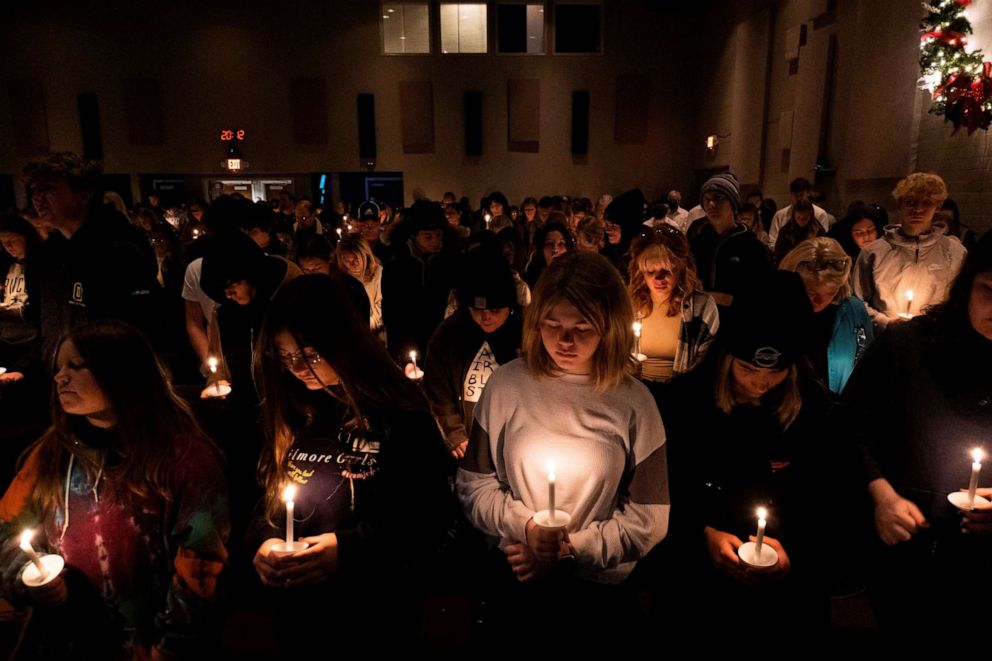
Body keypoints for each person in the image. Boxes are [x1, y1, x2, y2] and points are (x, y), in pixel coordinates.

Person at [457, 251, 669, 654]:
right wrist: (528, 529)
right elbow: (473, 486)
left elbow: (650, 519)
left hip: (598, 595)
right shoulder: (506, 386)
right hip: (516, 577)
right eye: (552, 325)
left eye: (582, 327)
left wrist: (569, 551)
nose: (564, 341)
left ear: (610, 328)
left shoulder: (633, 402)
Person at [0, 320, 229, 658]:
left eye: (76, 367)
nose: (60, 377)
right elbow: (6, 528)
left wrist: (169, 649)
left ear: (122, 374)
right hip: (65, 640)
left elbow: (200, 565)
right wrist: (26, 573)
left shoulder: (184, 459)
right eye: (58, 367)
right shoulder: (52, 453)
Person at [250, 275, 452, 655]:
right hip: (299, 614)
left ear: (342, 342)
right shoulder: (289, 408)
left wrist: (348, 548)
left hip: (375, 613)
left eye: (309, 354)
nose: (297, 367)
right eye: (284, 355)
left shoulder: (399, 412)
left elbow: (429, 519)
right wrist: (265, 541)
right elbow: (264, 498)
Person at [652, 271, 843, 640]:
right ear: (726, 358)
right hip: (699, 591)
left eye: (775, 372)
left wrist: (794, 553)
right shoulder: (687, 403)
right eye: (748, 369)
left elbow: (826, 501)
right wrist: (701, 533)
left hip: (781, 599)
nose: (760, 383)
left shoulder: (815, 411)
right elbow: (665, 490)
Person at [843, 230, 992, 641]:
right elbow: (850, 424)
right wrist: (881, 494)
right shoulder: (909, 345)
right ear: (966, 285)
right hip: (907, 545)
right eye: (989, 291)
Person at [424, 249, 523, 459]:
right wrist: (454, 434)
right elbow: (438, 393)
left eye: (495, 310)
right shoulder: (448, 336)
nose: (486, 317)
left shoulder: (524, 334)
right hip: (466, 447)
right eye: (477, 310)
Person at [852, 172, 967, 332]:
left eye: (926, 203)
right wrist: (885, 322)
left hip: (935, 341)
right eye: (911, 202)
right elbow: (857, 301)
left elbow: (962, 301)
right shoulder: (874, 252)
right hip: (886, 341)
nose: (918, 210)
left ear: (938, 206)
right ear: (900, 204)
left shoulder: (955, 253)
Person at [779, 237, 872, 393]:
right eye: (811, 292)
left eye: (830, 292)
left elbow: (867, 364)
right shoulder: (776, 309)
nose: (819, 301)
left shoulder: (853, 310)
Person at [628, 225, 719, 382]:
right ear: (640, 271)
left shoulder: (701, 307)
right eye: (651, 271)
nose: (658, 279)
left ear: (682, 268)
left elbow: (708, 364)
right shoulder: (629, 304)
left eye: (667, 271)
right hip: (635, 391)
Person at [688, 173, 773, 309]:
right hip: (701, 322)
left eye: (719, 198)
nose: (711, 204)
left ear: (733, 204)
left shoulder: (753, 248)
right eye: (706, 199)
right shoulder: (697, 243)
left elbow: (765, 294)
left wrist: (731, 300)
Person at [335, 233, 384, 338]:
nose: (354, 264)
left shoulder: (378, 275)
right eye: (348, 260)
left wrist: (361, 329)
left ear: (366, 254)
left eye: (357, 258)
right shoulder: (340, 278)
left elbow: (380, 312)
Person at [767, 177, 836, 247]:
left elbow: (823, 241)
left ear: (808, 194)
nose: (799, 199)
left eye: (802, 195)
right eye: (796, 196)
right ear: (791, 194)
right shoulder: (780, 215)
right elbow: (772, 241)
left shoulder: (820, 214)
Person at [522, 219, 573, 287]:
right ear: (541, 250)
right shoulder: (530, 283)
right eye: (549, 243)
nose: (555, 249)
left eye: (561, 243)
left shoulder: (576, 280)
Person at [773, 199, 823, 263]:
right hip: (791, 265)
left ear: (811, 216)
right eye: (798, 217)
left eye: (805, 218)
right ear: (794, 216)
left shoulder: (817, 229)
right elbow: (779, 255)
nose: (801, 221)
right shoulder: (786, 231)